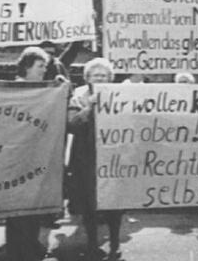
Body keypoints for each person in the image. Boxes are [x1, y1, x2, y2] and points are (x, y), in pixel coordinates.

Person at [68, 58, 124, 260]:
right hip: (86, 157)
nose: (100, 78)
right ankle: (92, 242)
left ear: (110, 77)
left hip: (112, 156)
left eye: (104, 75)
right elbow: (72, 124)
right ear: (87, 77)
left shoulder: (120, 95)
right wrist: (89, 107)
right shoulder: (78, 94)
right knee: (89, 203)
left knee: (114, 203)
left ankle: (115, 243)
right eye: (95, 74)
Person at [6, 46, 52, 261]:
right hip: (15, 155)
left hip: (35, 154)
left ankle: (31, 244)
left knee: (34, 202)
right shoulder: (12, 88)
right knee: (16, 204)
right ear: (27, 66)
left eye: (45, 66)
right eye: (40, 66)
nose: (44, 70)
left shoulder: (43, 89)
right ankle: (16, 249)